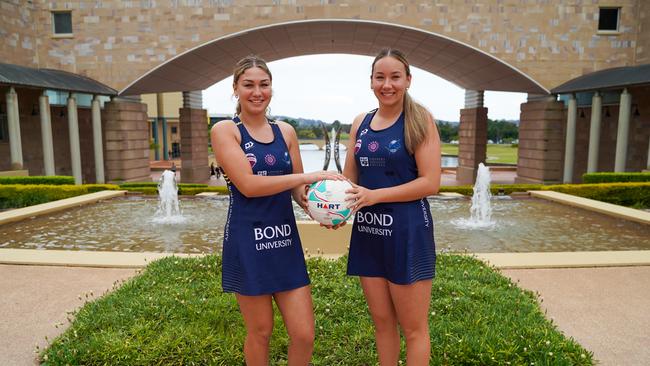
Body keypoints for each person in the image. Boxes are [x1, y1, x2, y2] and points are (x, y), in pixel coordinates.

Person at [210, 55, 341, 365]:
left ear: (272, 88)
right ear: (236, 89)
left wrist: (320, 210)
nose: (257, 92)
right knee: (261, 331)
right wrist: (309, 176)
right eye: (249, 85)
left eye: (264, 85)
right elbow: (249, 186)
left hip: (285, 242)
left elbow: (297, 190)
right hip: (248, 242)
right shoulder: (226, 131)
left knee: (304, 334)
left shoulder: (286, 132)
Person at [342, 48, 441, 365]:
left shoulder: (419, 119)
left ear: (408, 80)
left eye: (395, 77)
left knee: (413, 329)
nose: (388, 84)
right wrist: (333, 210)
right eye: (380, 77)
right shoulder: (361, 122)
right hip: (369, 235)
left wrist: (375, 196)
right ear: (371, 81)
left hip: (407, 233)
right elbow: (349, 180)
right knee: (383, 324)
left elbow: (430, 182)